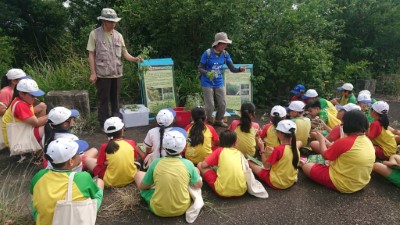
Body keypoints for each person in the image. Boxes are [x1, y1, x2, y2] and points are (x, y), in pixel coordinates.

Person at [87, 8, 143, 129]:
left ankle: (116, 124)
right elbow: (91, 54)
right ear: (103, 21)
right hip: (102, 74)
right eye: (110, 22)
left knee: (115, 100)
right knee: (103, 100)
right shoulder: (94, 34)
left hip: (117, 74)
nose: (113, 24)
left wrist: (135, 59)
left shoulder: (119, 36)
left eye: (114, 22)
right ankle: (103, 124)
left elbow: (125, 53)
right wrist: (93, 73)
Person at [30, 138, 104, 225]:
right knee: (99, 182)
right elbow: (94, 196)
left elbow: (33, 197)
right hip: (71, 219)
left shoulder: (39, 175)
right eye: (78, 153)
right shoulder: (82, 177)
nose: (81, 155)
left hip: (45, 222)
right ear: (71, 161)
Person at [300, 110, 375, 193]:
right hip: (361, 183)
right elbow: (340, 149)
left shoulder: (345, 141)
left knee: (306, 166)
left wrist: (321, 140)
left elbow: (325, 156)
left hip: (343, 183)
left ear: (348, 125)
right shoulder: (367, 140)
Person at [137, 128, 202, 217]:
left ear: (163, 147)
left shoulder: (156, 163)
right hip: (182, 208)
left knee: (139, 174)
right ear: (184, 147)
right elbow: (198, 186)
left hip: (158, 209)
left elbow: (143, 187)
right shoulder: (189, 164)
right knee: (196, 170)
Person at [198, 32, 246, 127]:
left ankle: (218, 120)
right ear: (217, 43)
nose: (225, 45)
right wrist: (207, 73)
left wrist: (240, 69)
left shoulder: (225, 54)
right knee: (210, 105)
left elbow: (232, 68)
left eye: (226, 43)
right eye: (223, 43)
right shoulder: (207, 53)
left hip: (218, 81)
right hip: (207, 81)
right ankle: (206, 121)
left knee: (223, 103)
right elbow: (200, 68)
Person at [85, 117, 145, 187]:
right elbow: (134, 158)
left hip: (110, 181)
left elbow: (99, 163)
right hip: (130, 178)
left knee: (87, 160)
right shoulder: (131, 143)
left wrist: (107, 162)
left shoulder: (104, 146)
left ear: (106, 132)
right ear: (122, 130)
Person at [42, 106, 98, 171]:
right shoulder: (72, 138)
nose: (73, 119)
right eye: (71, 118)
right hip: (70, 167)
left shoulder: (46, 136)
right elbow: (78, 158)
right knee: (94, 150)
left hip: (52, 165)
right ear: (65, 124)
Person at [249, 120, 300, 190]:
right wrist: (273, 152)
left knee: (250, 163)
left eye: (277, 131)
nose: (276, 133)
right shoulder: (295, 147)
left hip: (277, 183)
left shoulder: (279, 149)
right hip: (290, 181)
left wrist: (262, 149)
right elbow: (284, 156)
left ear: (281, 134)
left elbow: (266, 166)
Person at [197, 130, 247, 197]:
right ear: (235, 143)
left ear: (220, 141)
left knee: (199, 165)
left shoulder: (219, 150)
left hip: (222, 192)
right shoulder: (238, 153)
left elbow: (203, 165)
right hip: (242, 190)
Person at [1, 79, 47, 146]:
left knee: (42, 106)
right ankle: (39, 148)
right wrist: (52, 115)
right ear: (21, 94)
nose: (35, 97)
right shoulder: (20, 105)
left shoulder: (20, 100)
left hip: (16, 134)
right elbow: (36, 123)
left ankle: (38, 145)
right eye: (32, 95)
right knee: (48, 127)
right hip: (15, 140)